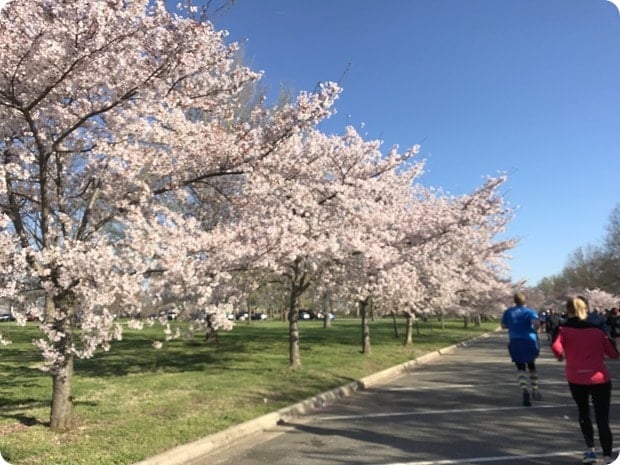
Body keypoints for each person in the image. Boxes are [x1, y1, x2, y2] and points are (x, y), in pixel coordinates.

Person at [551, 296, 619, 464]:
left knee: (584, 413)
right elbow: (613, 353)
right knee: (602, 418)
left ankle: (590, 451)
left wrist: (560, 356)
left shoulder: (563, 329)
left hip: (576, 377)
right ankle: (608, 456)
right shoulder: (598, 330)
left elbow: (555, 347)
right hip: (599, 378)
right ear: (586, 309)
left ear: (568, 310)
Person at [501, 292, 542, 406]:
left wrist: (513, 325)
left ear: (515, 301)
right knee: (531, 365)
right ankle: (535, 389)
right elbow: (536, 323)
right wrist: (536, 329)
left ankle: (524, 390)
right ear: (525, 301)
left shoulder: (508, 312)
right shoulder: (530, 312)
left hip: (515, 341)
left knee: (520, 367)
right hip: (529, 340)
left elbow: (503, 325)